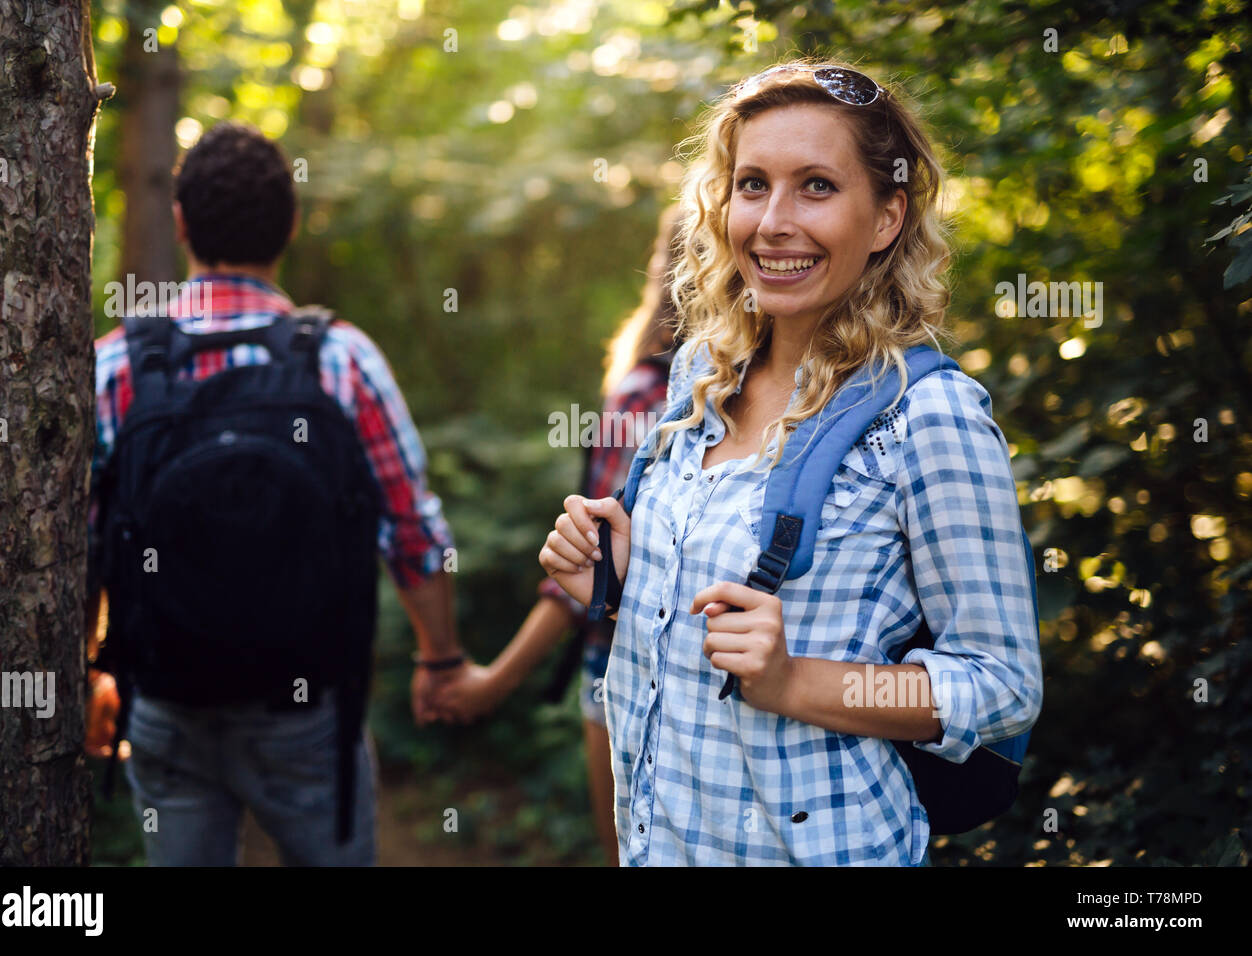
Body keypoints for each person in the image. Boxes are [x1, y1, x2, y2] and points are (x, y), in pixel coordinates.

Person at [538, 60, 1043, 866]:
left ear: (885, 218)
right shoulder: (699, 374)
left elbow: (1002, 684)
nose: (773, 221)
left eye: (815, 187)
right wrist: (621, 578)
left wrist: (793, 682)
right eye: (751, 185)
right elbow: (701, 624)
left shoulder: (929, 416)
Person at [87, 121, 468, 866]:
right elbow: (414, 533)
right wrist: (441, 660)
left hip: (167, 701)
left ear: (181, 222)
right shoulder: (342, 358)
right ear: (290, 225)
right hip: (308, 710)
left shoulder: (118, 365)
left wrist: (89, 672)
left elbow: (85, 543)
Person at [431, 204, 685, 866]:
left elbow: (587, 577)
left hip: (623, 668)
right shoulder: (767, 392)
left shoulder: (646, 395)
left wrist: (493, 682)